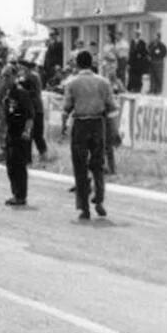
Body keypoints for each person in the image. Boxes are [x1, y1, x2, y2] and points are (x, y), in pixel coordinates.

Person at [61, 49, 115, 220]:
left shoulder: (72, 83)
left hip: (80, 124)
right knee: (98, 165)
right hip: (98, 123)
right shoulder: (103, 82)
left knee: (80, 166)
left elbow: (66, 108)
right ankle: (99, 199)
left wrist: (63, 126)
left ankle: (84, 207)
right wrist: (113, 129)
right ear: (92, 63)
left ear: (77, 64)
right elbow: (111, 107)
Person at [1, 64, 44, 206]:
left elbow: (30, 115)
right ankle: (15, 193)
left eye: (7, 76)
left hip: (21, 133)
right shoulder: (9, 93)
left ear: (14, 77)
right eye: (3, 76)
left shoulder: (21, 93)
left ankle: (21, 196)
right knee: (10, 165)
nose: (5, 79)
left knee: (19, 166)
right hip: (11, 132)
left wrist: (26, 131)